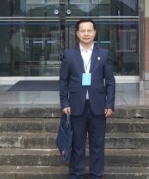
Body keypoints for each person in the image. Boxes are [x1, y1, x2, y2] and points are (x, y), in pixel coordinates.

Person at [59, 18, 116, 179]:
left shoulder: (103, 54)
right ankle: (76, 174)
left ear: (94, 33)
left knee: (97, 145)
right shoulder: (69, 55)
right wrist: (64, 102)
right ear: (77, 33)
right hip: (76, 106)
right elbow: (63, 81)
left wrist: (110, 104)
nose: (86, 33)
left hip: (98, 107)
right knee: (77, 145)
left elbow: (110, 81)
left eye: (89, 30)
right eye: (82, 30)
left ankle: (96, 175)